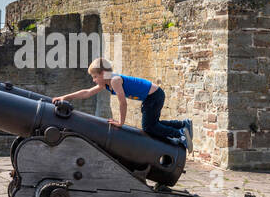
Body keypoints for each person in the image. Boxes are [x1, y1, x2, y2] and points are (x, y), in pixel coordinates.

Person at [53, 57, 192, 148]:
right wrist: (65, 97)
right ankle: (182, 125)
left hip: (154, 96)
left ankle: (180, 134)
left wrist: (120, 122)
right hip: (152, 96)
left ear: (102, 73)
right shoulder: (106, 83)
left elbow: (122, 102)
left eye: (95, 77)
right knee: (152, 125)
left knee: (149, 127)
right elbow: (87, 92)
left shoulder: (114, 80)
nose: (94, 80)